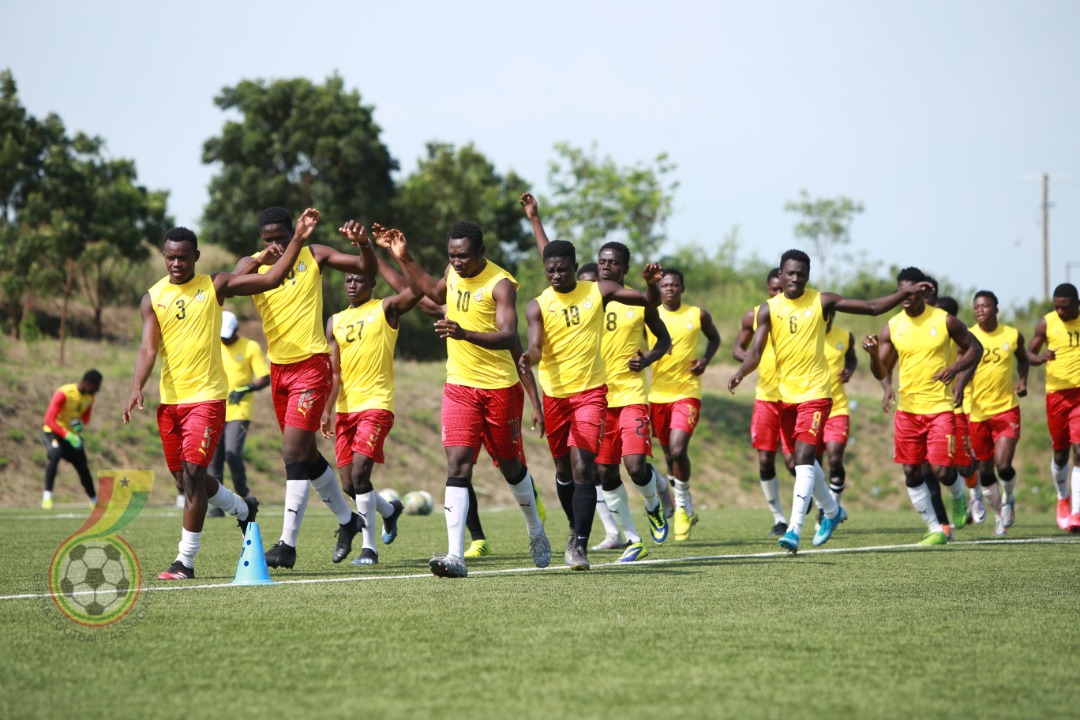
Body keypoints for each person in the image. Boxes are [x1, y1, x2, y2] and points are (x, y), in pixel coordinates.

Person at [122, 213, 317, 580]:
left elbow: (272, 279)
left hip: (208, 398)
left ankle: (185, 561)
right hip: (170, 402)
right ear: (164, 257)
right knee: (184, 481)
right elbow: (148, 349)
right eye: (170, 257)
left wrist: (297, 239)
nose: (176, 263)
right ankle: (243, 509)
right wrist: (137, 387)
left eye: (183, 257)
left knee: (196, 475)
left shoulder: (215, 285)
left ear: (196, 256)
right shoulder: (153, 298)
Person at [729, 251, 935, 554]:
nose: (796, 278)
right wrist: (740, 373)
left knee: (802, 461)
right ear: (781, 275)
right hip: (785, 398)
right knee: (805, 462)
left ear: (808, 275)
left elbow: (872, 307)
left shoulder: (822, 301)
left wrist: (907, 291)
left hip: (816, 394)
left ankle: (794, 529)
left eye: (802, 273)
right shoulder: (767, 310)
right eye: (791, 273)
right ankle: (833, 511)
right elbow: (756, 352)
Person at [376, 221, 551, 579]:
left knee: (511, 466)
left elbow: (507, 336)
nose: (457, 263)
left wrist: (463, 332)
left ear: (481, 254)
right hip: (459, 387)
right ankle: (456, 556)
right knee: (457, 467)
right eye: (452, 256)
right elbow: (433, 292)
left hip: (501, 389)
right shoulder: (452, 271)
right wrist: (404, 257)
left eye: (464, 257)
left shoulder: (500, 284)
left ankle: (535, 529)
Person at [521, 193, 671, 562]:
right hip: (555, 395)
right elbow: (537, 347)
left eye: (563, 269)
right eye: (550, 270)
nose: (556, 275)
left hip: (593, 393)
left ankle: (580, 544)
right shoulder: (537, 305)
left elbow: (647, 303)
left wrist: (652, 285)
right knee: (566, 470)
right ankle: (582, 529)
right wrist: (530, 357)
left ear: (576, 266)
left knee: (586, 465)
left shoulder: (598, 292)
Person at [236, 207, 377, 570]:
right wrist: (260, 259)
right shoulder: (254, 263)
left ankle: (287, 545)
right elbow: (232, 283)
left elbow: (367, 269)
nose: (275, 246)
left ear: (292, 232)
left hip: (312, 367)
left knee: (292, 454)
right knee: (307, 456)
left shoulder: (314, 254)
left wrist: (364, 245)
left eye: (280, 238)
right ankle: (349, 522)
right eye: (268, 240)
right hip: (279, 371)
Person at [320, 222, 424, 565]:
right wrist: (327, 408)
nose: (352, 283)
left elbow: (419, 289)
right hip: (346, 410)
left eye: (359, 278)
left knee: (362, 475)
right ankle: (390, 510)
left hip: (377, 405)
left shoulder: (386, 309)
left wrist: (393, 255)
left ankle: (369, 548)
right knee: (349, 483)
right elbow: (334, 372)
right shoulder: (334, 321)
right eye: (348, 279)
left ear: (371, 282)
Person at [860, 267, 982, 546]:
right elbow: (882, 371)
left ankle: (958, 496)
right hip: (908, 410)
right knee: (912, 472)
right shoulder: (892, 326)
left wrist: (956, 368)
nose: (905, 296)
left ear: (922, 291)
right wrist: (872, 355)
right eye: (901, 290)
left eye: (910, 291)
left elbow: (976, 349)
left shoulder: (944, 320)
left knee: (940, 469)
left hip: (940, 407)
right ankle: (936, 528)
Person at [648, 268, 721, 541]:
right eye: (665, 284)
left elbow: (714, 338)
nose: (670, 289)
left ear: (682, 288)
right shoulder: (651, 314)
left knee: (679, 450)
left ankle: (683, 506)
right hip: (658, 396)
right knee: (668, 456)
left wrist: (705, 359)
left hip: (687, 393)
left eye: (675, 284)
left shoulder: (697, 314)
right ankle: (684, 508)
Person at [965, 290, 1029, 536]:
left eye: (985, 306)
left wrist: (1022, 380)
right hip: (977, 413)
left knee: (1003, 465)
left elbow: (1023, 358)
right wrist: (960, 384)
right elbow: (961, 364)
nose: (980, 310)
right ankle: (998, 514)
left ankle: (1009, 499)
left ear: (996, 309)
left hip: (1006, 411)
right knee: (984, 470)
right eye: (977, 307)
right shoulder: (968, 336)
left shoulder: (1012, 335)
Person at [733, 268, 791, 536]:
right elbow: (738, 347)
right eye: (774, 289)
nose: (778, 294)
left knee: (794, 462)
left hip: (795, 398)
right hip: (766, 398)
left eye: (782, 289)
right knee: (766, 460)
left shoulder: (800, 314)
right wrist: (744, 361)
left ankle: (818, 500)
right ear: (768, 289)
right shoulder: (756, 314)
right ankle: (780, 518)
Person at [1027, 282, 1080, 533]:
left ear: (1076, 304)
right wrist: (1041, 358)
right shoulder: (1047, 322)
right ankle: (1063, 498)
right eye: (1056, 307)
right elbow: (1029, 353)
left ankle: (1078, 512)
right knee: (1061, 453)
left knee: (1079, 448)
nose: (1060, 312)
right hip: (1056, 395)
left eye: (1065, 308)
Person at [205, 310, 270, 516]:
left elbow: (264, 377)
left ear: (236, 330)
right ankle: (217, 504)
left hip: (239, 411)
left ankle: (243, 494)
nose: (223, 338)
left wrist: (247, 388)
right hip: (215, 409)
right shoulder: (213, 345)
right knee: (213, 458)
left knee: (232, 453)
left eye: (227, 334)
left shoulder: (250, 347)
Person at [41, 370, 102, 509]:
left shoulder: (89, 397)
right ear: (87, 383)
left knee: (82, 465)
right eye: (96, 386)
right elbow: (49, 420)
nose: (98, 389)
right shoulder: (64, 393)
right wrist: (67, 435)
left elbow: (85, 417)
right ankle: (47, 497)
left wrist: (81, 424)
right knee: (55, 454)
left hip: (71, 436)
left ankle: (94, 500)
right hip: (53, 432)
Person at [821, 309, 857, 514]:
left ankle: (829, 511)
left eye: (829, 315)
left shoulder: (845, 336)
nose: (826, 319)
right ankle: (822, 504)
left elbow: (851, 359)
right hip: (812, 408)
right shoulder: (807, 336)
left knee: (834, 458)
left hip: (837, 408)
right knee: (811, 464)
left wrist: (849, 371)